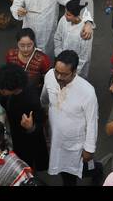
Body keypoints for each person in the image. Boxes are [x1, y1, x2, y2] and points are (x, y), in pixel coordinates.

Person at [41, 50, 98, 186]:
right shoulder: (49, 76)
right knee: (64, 167)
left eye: (64, 74)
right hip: (55, 137)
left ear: (74, 71)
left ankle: (97, 171)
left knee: (75, 170)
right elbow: (44, 98)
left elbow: (92, 121)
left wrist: (89, 149)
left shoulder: (87, 92)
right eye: (57, 72)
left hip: (75, 142)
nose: (59, 77)